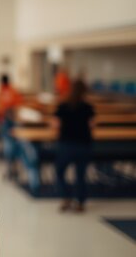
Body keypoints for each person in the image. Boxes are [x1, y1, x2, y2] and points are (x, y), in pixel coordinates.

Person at [52, 80, 95, 212]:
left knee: (59, 172)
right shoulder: (88, 107)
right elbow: (92, 125)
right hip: (83, 145)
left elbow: (55, 124)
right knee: (80, 175)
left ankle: (66, 197)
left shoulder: (63, 106)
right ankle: (80, 203)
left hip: (66, 145)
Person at [0, 74, 22, 179]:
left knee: (8, 145)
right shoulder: (13, 91)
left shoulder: (2, 92)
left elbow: (1, 108)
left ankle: (9, 168)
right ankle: (14, 168)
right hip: (14, 121)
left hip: (6, 121)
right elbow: (18, 105)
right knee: (14, 144)